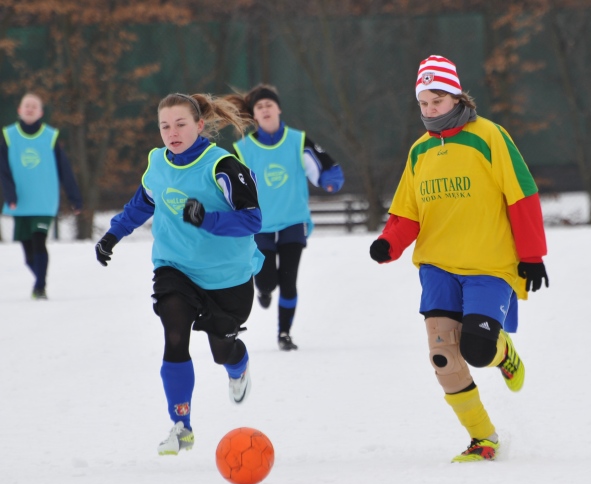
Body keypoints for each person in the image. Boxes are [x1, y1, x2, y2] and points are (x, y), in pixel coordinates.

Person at [369, 55, 549, 462]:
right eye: (423, 103)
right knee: (443, 356)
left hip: (488, 264)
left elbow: (521, 194)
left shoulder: (489, 136)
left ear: (456, 96)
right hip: (437, 267)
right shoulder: (419, 151)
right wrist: (388, 243)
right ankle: (483, 438)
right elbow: (407, 213)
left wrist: (532, 255)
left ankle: (503, 352)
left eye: (437, 101)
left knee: (478, 350)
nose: (430, 110)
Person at [94, 93, 264, 456]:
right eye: (165, 126)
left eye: (180, 124)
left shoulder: (223, 166)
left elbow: (252, 219)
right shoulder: (157, 163)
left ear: (199, 125)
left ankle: (237, 365)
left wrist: (208, 219)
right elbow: (143, 202)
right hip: (175, 267)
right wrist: (113, 234)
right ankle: (181, 425)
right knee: (174, 332)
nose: (172, 133)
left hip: (227, 276)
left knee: (222, 350)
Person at [229, 84, 344, 351]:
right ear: (254, 115)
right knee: (268, 279)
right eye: (260, 107)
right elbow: (230, 185)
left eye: (269, 104)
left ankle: (284, 333)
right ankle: (264, 290)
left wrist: (329, 180)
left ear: (279, 108)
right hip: (260, 225)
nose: (265, 109)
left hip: (294, 220)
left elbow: (325, 166)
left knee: (289, 280)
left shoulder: (298, 140)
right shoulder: (243, 149)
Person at [0, 92, 83, 299]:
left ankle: (40, 287)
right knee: (28, 254)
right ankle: (40, 279)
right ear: (19, 110)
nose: (30, 108)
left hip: (44, 201)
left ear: (41, 112)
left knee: (39, 241)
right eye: (26, 105)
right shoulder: (8, 135)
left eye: (34, 106)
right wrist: (10, 195)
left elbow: (65, 170)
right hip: (20, 202)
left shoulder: (50, 136)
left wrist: (74, 198)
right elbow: (3, 170)